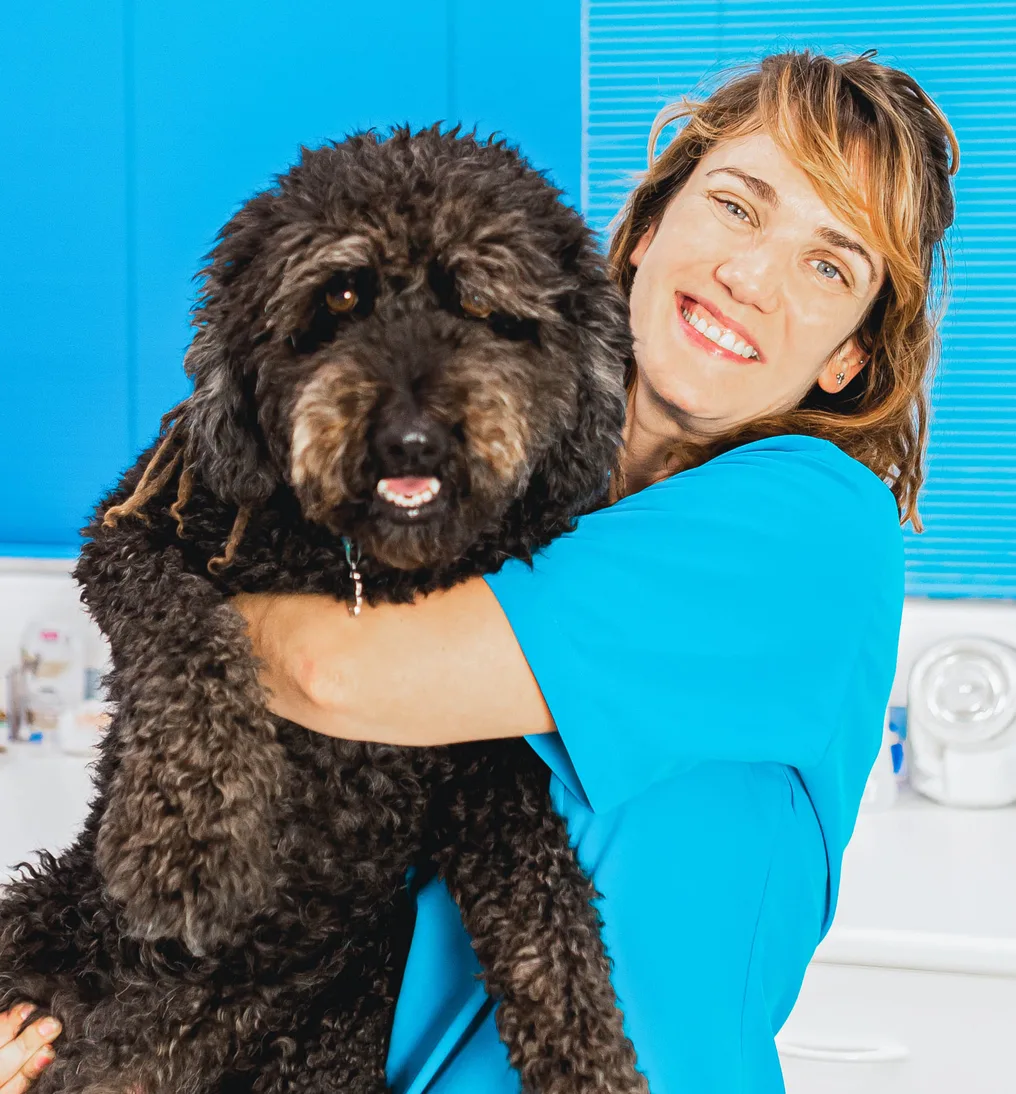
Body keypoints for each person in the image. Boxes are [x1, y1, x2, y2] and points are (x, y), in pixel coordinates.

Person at [1, 49, 957, 1094]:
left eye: (828, 266)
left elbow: (335, 670)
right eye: (736, 206)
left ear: (846, 358)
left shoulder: (811, 521)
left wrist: (191, 606)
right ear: (642, 231)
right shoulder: (495, 503)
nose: (752, 275)